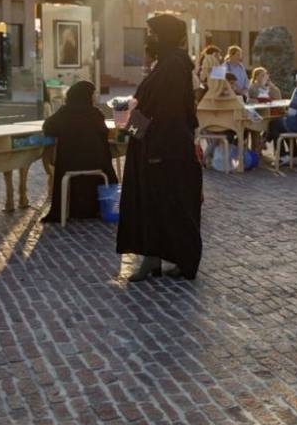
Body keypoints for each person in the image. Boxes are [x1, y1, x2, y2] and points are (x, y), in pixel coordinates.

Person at [117, 14, 202, 281]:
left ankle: (180, 260)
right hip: (156, 146)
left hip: (163, 150)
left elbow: (166, 112)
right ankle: (155, 258)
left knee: (170, 205)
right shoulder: (167, 64)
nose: (148, 37)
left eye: (152, 33)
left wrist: (133, 128)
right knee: (155, 205)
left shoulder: (174, 66)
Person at [40, 81, 118, 223]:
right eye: (93, 94)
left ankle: (71, 209)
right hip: (97, 164)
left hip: (69, 165)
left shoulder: (63, 113)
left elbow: (48, 127)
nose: (94, 97)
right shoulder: (95, 114)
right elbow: (104, 133)